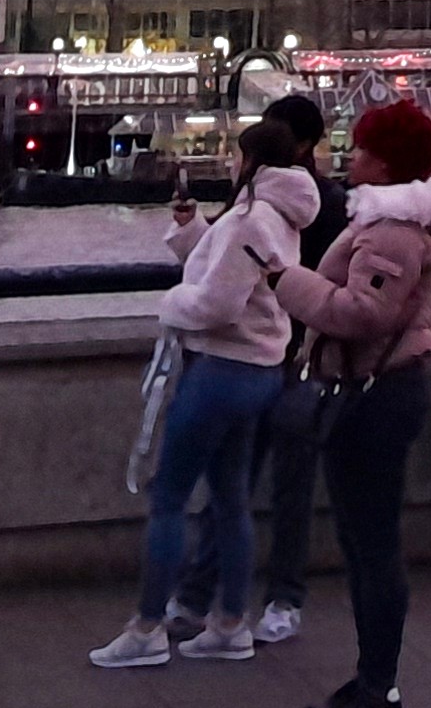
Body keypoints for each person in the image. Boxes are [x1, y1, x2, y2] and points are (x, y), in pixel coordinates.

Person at [277, 96, 431, 708]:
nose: (350, 153)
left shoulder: (389, 232)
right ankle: (373, 677)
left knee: (371, 544)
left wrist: (283, 278)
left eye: (361, 147)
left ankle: (378, 686)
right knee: (367, 539)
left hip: (374, 394)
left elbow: (365, 314)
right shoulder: (387, 222)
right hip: (379, 391)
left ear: (387, 162)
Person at [91, 119, 321, 669]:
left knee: (169, 498)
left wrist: (169, 305)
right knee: (230, 499)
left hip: (222, 370)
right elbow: (235, 276)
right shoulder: (278, 215)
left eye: (238, 155)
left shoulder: (253, 217)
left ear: (254, 162)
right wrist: (193, 231)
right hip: (259, 370)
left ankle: (147, 628)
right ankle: (229, 624)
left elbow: (218, 304)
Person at [249, 91, 349, 647]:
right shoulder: (331, 201)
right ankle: (278, 596)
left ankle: (275, 593)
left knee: (273, 478)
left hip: (290, 353)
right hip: (290, 353)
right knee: (283, 481)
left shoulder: (284, 203)